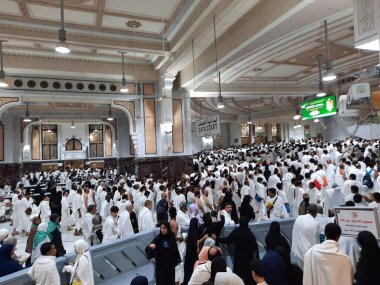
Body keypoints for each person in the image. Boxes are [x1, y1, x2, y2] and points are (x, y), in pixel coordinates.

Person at [214, 216, 258, 285]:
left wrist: (217, 238)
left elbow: (227, 240)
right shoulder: (250, 234)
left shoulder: (237, 231)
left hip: (239, 258)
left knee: (239, 276)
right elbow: (255, 249)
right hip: (248, 260)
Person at [183, 218, 199, 285]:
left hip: (188, 256)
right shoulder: (195, 233)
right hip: (193, 256)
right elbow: (195, 244)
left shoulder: (189, 232)